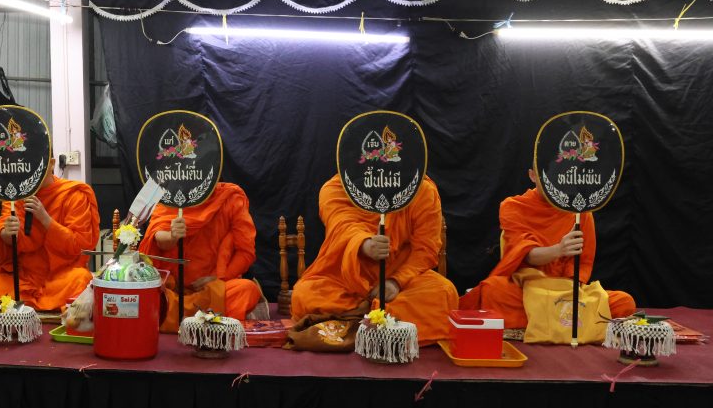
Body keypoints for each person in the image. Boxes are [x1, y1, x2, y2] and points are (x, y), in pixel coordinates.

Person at [290, 174, 458, 345]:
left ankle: (354, 323)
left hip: (400, 280)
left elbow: (426, 249)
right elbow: (341, 226)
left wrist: (396, 281)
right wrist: (365, 244)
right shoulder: (336, 188)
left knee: (444, 293)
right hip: (345, 279)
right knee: (304, 295)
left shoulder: (421, 190)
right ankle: (381, 324)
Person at [459, 168, 635, 326]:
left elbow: (582, 265)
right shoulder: (513, 206)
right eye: (547, 176)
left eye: (559, 177)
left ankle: (547, 320)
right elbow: (527, 254)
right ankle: (563, 322)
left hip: (564, 293)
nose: (554, 183)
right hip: (527, 289)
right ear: (532, 175)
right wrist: (559, 249)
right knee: (494, 291)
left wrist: (566, 293)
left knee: (623, 302)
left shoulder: (580, 212)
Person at [0, 158, 99, 310]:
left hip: (59, 276)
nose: (33, 174)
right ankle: (41, 303)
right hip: (23, 277)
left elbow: (79, 245)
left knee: (81, 279)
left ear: (51, 163)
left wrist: (46, 220)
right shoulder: (16, 195)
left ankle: (24, 304)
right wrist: (6, 234)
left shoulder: (73, 194)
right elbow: (3, 230)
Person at [139, 182, 264, 331]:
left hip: (213, 289)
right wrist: (172, 236)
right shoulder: (171, 196)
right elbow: (158, 237)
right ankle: (205, 320)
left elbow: (245, 251)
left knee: (248, 290)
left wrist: (217, 278)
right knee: (148, 294)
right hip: (174, 289)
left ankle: (178, 319)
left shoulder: (229, 197)